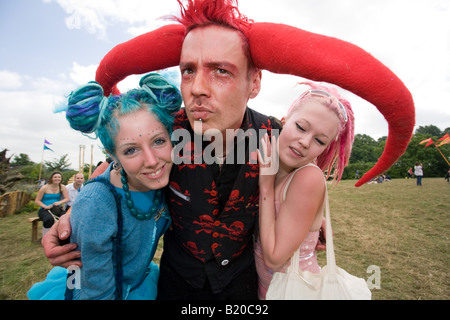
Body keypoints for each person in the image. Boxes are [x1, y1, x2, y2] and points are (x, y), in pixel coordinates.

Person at [28, 73, 181, 300]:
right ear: (112, 155)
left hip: (140, 282)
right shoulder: (96, 205)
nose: (151, 161)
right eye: (131, 150)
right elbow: (91, 289)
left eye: (158, 141)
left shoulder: (161, 176)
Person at [255, 82, 354, 300]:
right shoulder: (266, 157)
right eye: (301, 127)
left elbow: (274, 258)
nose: (305, 142)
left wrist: (266, 186)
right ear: (284, 121)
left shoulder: (308, 177)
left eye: (319, 140)